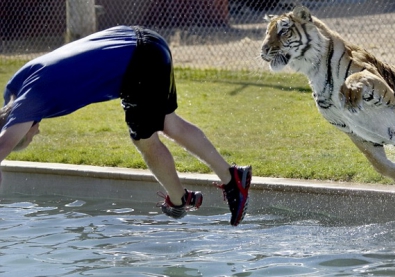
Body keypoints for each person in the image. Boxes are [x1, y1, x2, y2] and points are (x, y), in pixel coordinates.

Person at [0, 26, 251, 226]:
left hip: (138, 62)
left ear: (21, 126)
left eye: (29, 136)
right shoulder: (15, 88)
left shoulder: (28, 105)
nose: (37, 132)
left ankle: (179, 200)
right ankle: (231, 177)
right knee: (168, 122)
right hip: (141, 39)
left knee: (144, 139)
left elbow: (3, 145)